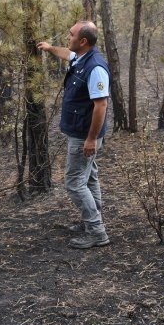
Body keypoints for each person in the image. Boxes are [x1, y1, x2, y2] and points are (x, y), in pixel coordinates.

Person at [37, 21, 112, 249]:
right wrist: (50, 48)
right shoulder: (80, 58)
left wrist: (90, 139)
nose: (67, 37)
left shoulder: (95, 67)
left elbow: (101, 106)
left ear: (83, 41)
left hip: (84, 134)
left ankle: (96, 232)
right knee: (89, 178)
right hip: (80, 131)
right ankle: (92, 221)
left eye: (71, 34)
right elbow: (67, 54)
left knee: (74, 182)